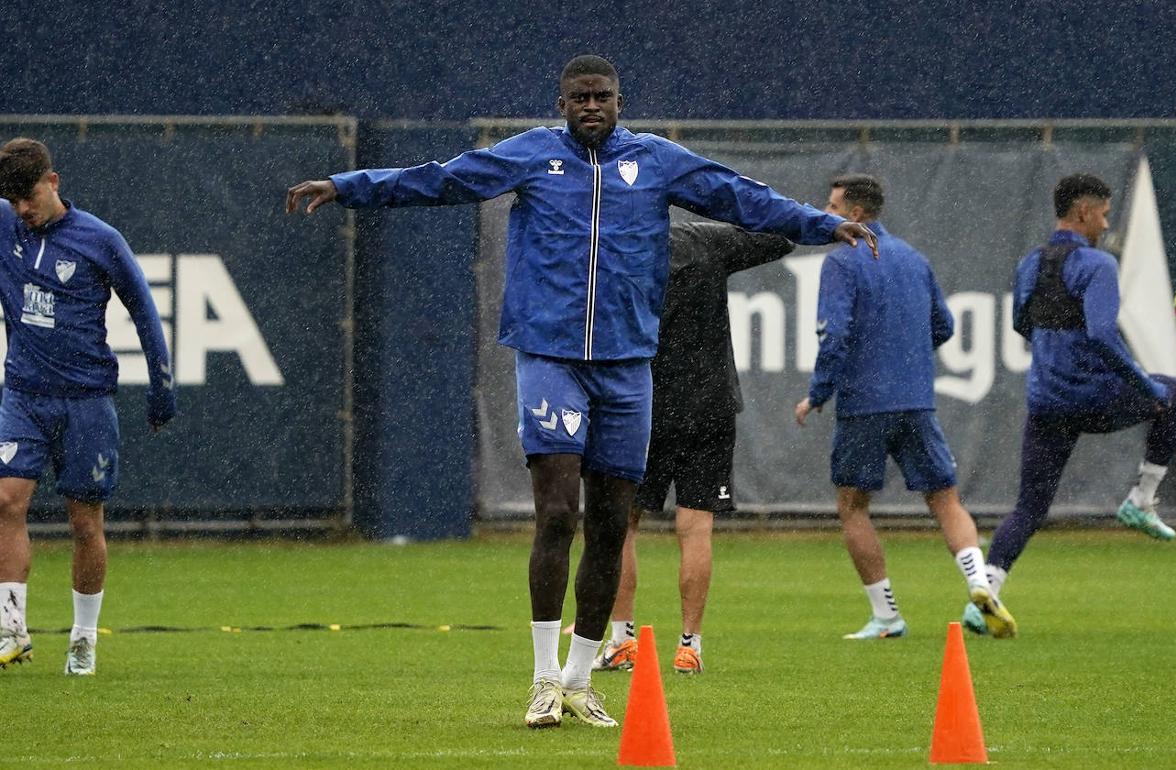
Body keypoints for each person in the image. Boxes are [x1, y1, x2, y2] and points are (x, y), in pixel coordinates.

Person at [286, 55, 876, 728]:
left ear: (620, 102)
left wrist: (822, 224)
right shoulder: (533, 156)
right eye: (580, 97)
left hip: (628, 365)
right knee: (558, 511)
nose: (592, 105)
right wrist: (349, 185)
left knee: (609, 522)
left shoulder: (656, 161)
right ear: (561, 103)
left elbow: (740, 196)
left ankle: (579, 679)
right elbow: (444, 181)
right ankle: (541, 679)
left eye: (603, 96)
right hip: (551, 356)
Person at [963, 173, 1176, 635]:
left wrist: (1055, 358)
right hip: (1095, 395)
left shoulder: (1030, 263)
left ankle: (985, 589)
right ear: (1084, 212)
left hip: (1047, 401)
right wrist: (1145, 387)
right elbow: (1103, 334)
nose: (1106, 224)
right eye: (1104, 214)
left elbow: (1020, 323)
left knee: (1028, 508)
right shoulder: (1097, 264)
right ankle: (1141, 499)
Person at [794, 174, 1016, 640]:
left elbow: (834, 336)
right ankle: (979, 584)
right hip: (916, 401)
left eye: (832, 207)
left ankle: (887, 616)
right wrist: (905, 356)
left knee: (853, 507)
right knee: (945, 499)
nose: (825, 213)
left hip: (864, 405)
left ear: (855, 215)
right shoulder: (913, 259)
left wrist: (818, 394)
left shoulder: (842, 261)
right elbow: (944, 325)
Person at [0, 138, 176, 676]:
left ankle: (82, 639)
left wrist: (161, 385)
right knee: (6, 501)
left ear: (52, 183)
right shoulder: (5, 223)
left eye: (28, 198)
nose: (22, 211)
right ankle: (10, 632)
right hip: (23, 395)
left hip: (86, 402)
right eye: (12, 202)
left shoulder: (100, 241)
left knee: (84, 524)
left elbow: (145, 311)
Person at [592, 221, 794, 677]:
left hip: (641, 405)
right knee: (695, 527)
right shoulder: (705, 241)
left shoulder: (614, 245)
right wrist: (724, 201)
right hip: (710, 405)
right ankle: (689, 646)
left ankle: (622, 641)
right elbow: (781, 235)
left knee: (621, 525)